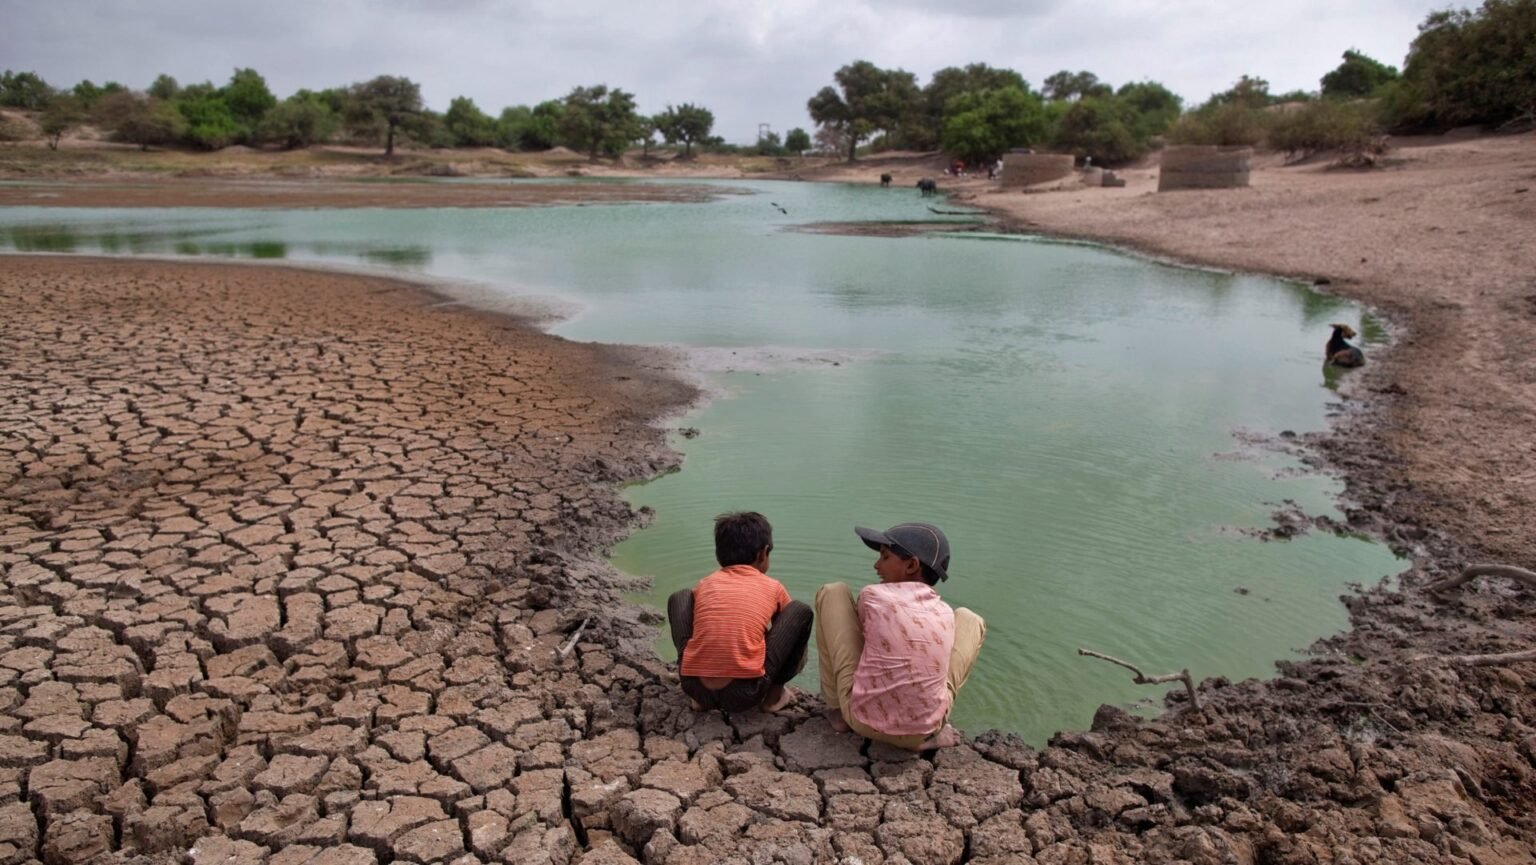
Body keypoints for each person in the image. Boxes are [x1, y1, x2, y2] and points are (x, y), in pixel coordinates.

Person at [815, 522, 986, 750]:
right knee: (970, 620)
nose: (877, 565)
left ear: (911, 565)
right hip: (925, 730)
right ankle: (924, 734)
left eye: (885, 557)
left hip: (861, 721)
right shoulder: (944, 612)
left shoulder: (873, 595)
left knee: (832, 592)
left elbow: (865, 644)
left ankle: (837, 710)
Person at [668, 512, 813, 713]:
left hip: (694, 686)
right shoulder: (773, 586)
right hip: (745, 694)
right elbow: (787, 634)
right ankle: (773, 697)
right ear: (763, 553)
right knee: (800, 611)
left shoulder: (705, 584)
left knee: (680, 597)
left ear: (718, 555)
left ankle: (698, 696)